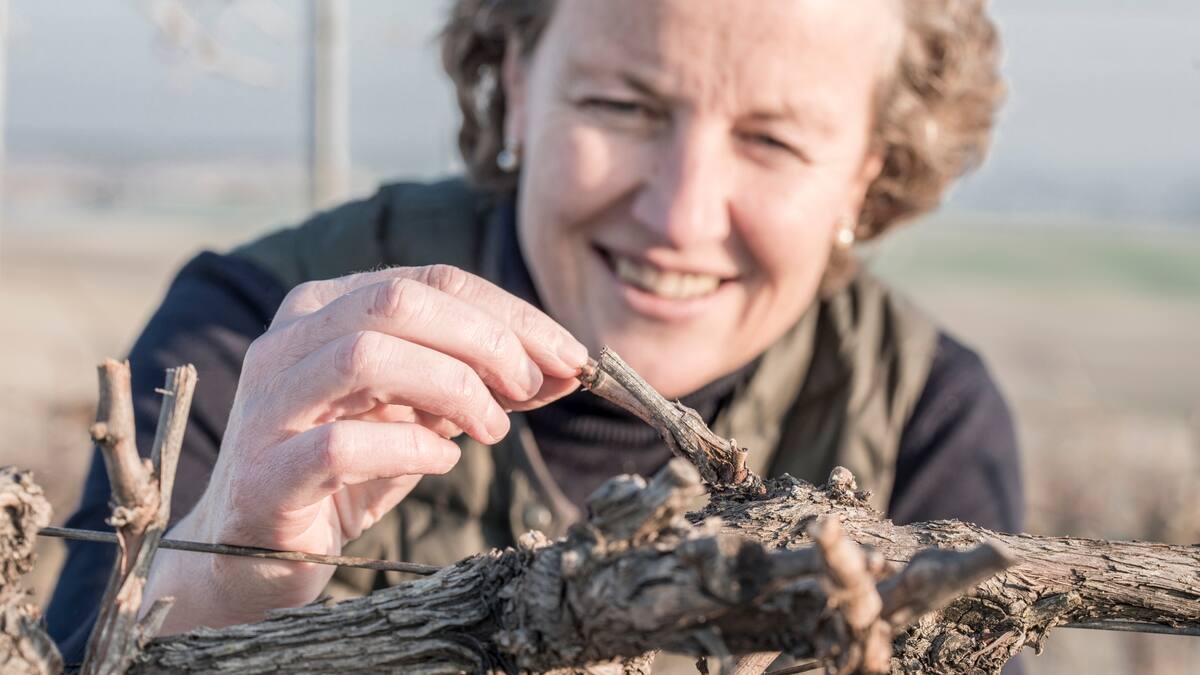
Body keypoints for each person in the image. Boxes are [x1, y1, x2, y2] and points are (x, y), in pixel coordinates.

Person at [48, 0, 1022, 666]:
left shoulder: (924, 421)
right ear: (515, 83)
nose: (680, 215)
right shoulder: (248, 329)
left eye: (772, 140)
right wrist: (225, 573)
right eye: (623, 105)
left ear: (867, 171)